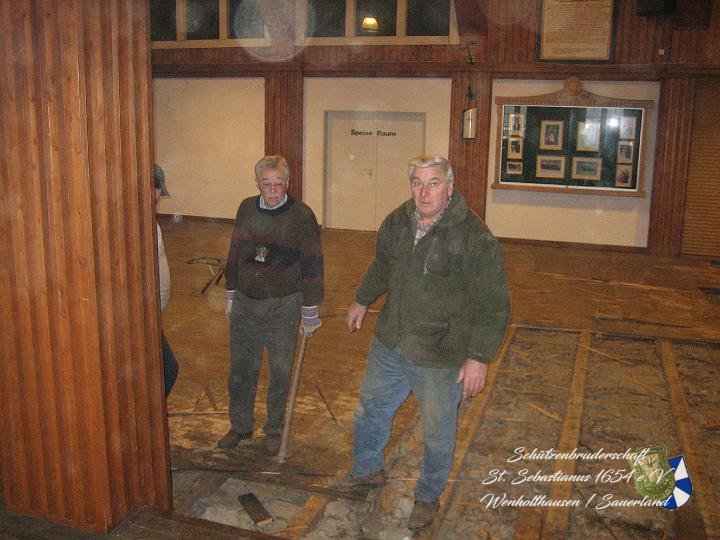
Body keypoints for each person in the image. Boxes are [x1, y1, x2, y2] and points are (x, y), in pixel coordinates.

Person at [338, 154, 510, 531]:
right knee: (371, 409)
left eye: (433, 183)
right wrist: (362, 299)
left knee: (437, 428)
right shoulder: (398, 221)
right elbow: (382, 264)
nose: (424, 192)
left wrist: (478, 357)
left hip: (440, 352)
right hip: (392, 340)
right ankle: (367, 470)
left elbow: (494, 304)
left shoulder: (474, 236)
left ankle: (428, 495)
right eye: (417, 183)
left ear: (449, 187)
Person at [218, 155, 324, 456]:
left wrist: (310, 308)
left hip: (283, 305)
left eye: (279, 183)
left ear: (288, 182)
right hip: (246, 303)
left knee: (280, 371)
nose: (274, 190)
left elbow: (313, 262)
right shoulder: (246, 208)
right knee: (241, 370)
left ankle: (275, 428)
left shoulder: (301, 215)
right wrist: (230, 290)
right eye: (267, 184)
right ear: (258, 184)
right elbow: (235, 250)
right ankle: (240, 425)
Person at [154, 164, 179, 397]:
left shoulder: (150, 223)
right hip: (141, 318)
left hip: (150, 316)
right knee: (168, 370)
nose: (158, 197)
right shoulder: (138, 226)